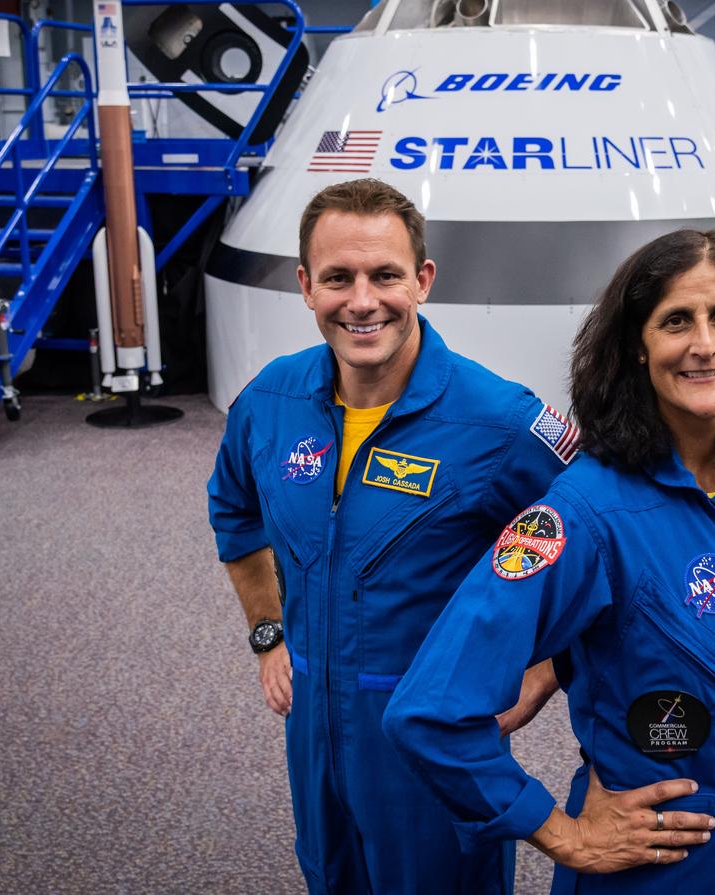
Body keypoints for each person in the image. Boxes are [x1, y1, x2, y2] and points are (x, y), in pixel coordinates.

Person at [383, 227, 715, 893]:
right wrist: (559, 831)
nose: (704, 344)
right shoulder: (584, 513)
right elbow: (428, 708)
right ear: (637, 345)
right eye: (675, 321)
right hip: (645, 865)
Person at [207, 178, 572, 894]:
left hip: (435, 742)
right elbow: (235, 514)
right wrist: (267, 634)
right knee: (330, 876)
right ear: (306, 286)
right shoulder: (269, 403)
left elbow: (601, 546)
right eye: (339, 277)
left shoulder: (498, 422)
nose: (363, 300)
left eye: (386, 275)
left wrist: (542, 673)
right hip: (315, 733)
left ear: (423, 281)